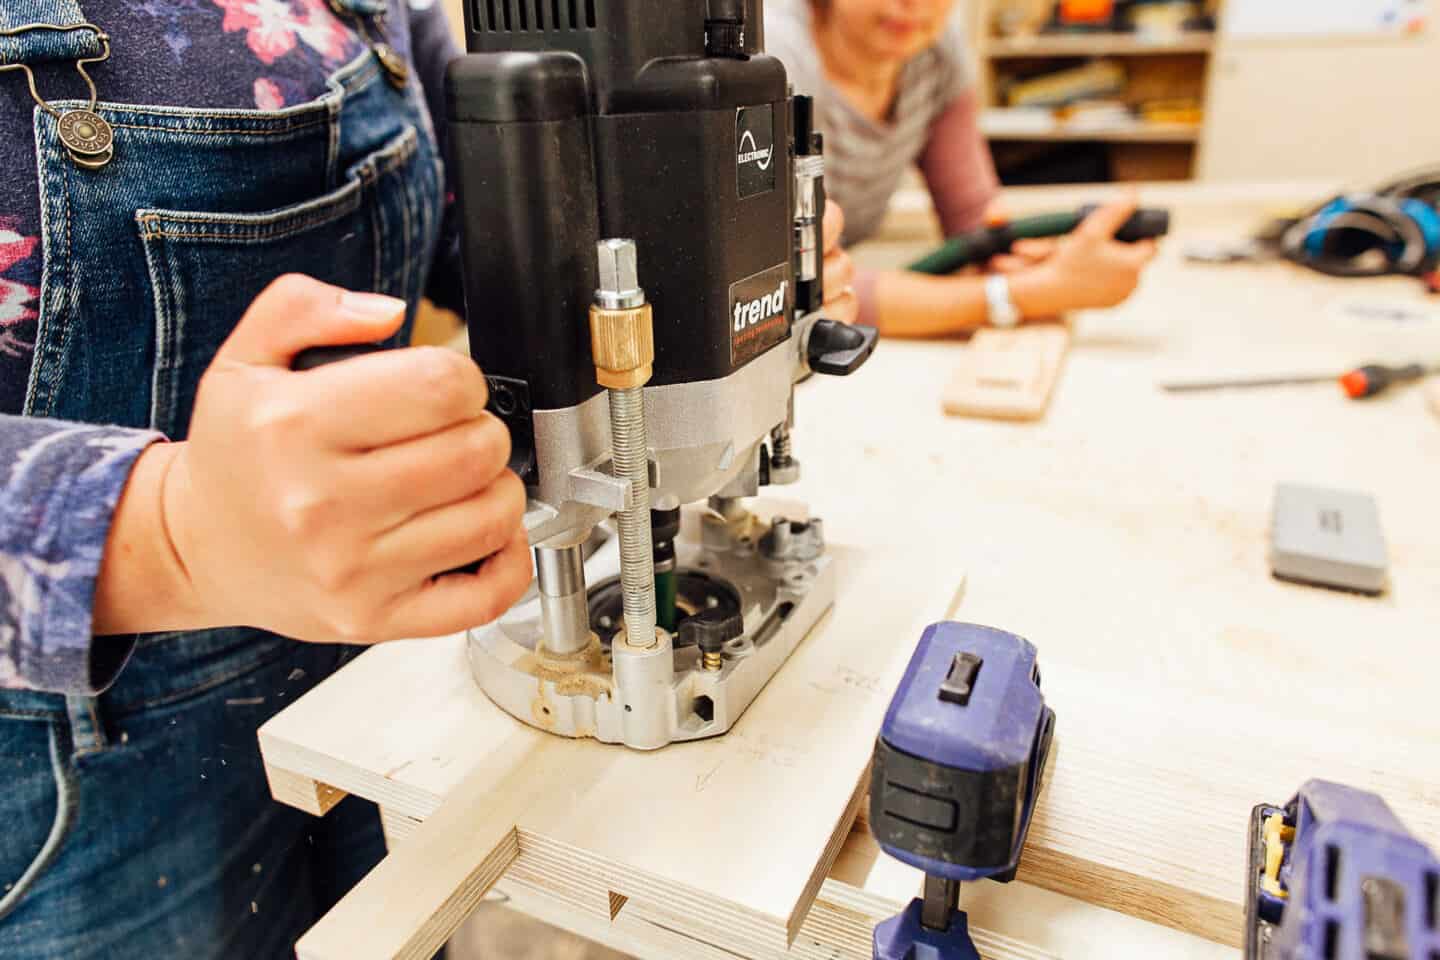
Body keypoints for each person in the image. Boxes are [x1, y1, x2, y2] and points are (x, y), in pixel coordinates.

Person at [0, 2, 855, 957]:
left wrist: (748, 257)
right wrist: (167, 530)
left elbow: (500, 208)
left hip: (374, 658)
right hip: (85, 766)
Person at [765, 0, 1160, 337]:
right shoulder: (773, 59)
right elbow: (789, 283)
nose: (915, 4)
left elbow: (975, 224)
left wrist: (1024, 262)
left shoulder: (936, 49)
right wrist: (1025, 294)